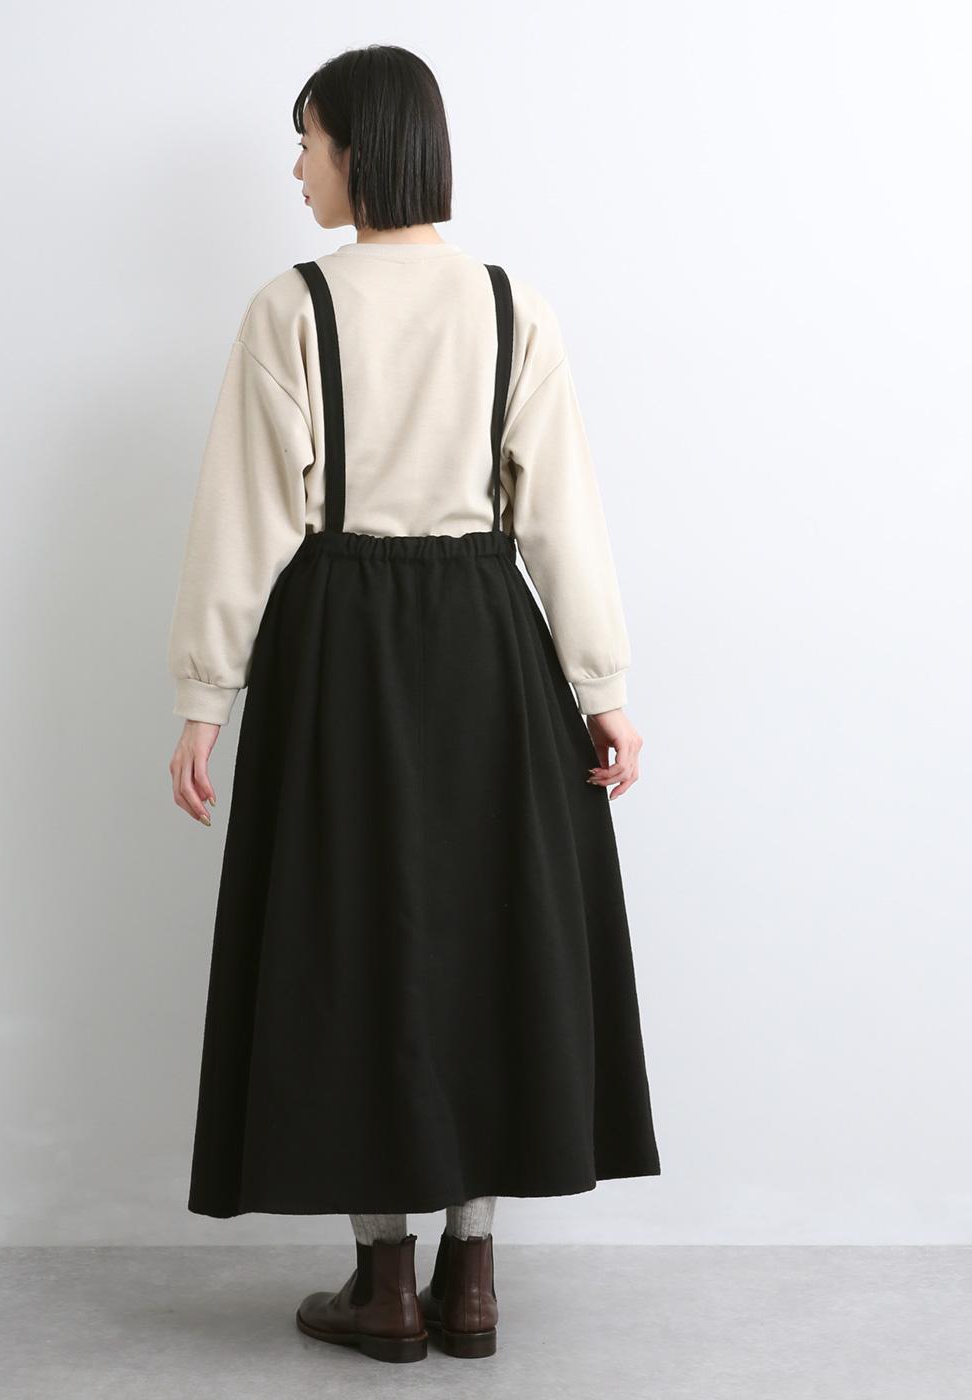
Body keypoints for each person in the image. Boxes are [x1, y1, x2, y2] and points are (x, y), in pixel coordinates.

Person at [166, 44, 660, 1365]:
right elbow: (560, 513)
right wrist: (603, 687)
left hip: (338, 639)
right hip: (490, 639)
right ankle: (472, 1277)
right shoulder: (510, 304)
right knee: (487, 936)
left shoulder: (294, 309)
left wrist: (206, 697)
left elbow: (243, 519)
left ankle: (384, 1283)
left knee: (353, 942)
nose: (297, 168)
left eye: (308, 142)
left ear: (360, 151)